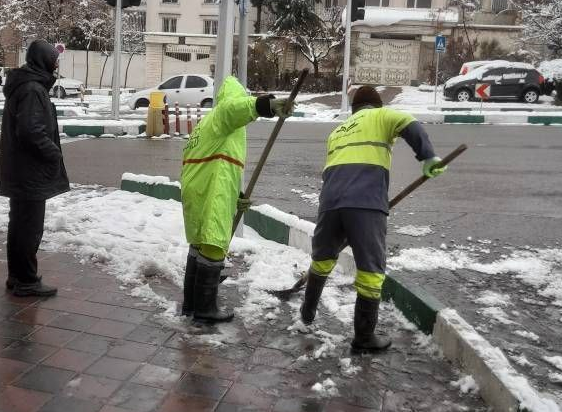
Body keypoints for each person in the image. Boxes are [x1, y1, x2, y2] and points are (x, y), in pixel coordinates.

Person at [299, 85, 446, 352]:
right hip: (365, 203)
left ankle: (307, 312)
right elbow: (410, 125)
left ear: (354, 110)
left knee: (322, 260)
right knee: (370, 271)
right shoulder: (382, 116)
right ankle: (364, 338)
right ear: (376, 106)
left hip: (330, 203)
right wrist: (428, 156)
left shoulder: (337, 131)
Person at [181, 76, 293, 323]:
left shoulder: (207, 124)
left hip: (198, 188)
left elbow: (217, 163)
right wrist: (267, 105)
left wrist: (235, 196)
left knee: (199, 244)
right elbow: (235, 109)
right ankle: (205, 309)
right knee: (213, 243)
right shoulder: (224, 114)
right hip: (211, 189)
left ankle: (191, 304)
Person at [0, 39, 69, 297]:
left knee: (20, 225)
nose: (56, 64)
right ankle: (26, 280)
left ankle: (17, 277)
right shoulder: (32, 89)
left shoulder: (28, 85)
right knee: (28, 227)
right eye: (54, 59)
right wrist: (53, 153)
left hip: (22, 170)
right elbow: (30, 130)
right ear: (44, 60)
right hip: (29, 172)